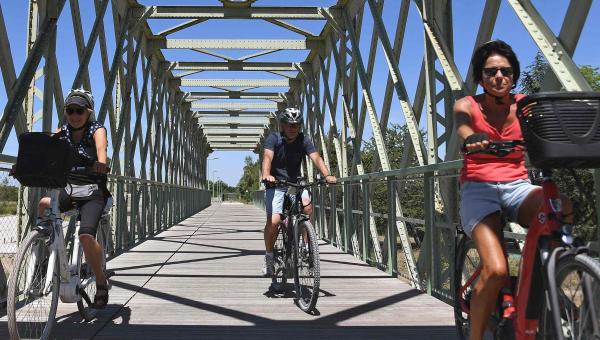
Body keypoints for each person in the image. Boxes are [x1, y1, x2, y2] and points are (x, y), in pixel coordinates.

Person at [454, 40, 573, 340]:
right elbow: (463, 125)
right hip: (478, 188)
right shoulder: (467, 104)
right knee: (495, 270)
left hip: (517, 186)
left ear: (514, 75)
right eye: (491, 71)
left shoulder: (524, 105)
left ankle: (542, 279)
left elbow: (548, 126)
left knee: (563, 206)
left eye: (505, 71)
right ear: (480, 77)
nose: (498, 77)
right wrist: (472, 137)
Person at [37, 88, 112, 309]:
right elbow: (46, 151)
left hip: (93, 192)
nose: (75, 115)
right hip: (69, 189)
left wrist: (101, 161)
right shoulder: (63, 131)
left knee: (86, 235)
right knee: (43, 205)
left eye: (79, 110)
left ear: (88, 112)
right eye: (70, 110)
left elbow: (102, 148)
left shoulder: (96, 129)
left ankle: (100, 281)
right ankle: (48, 249)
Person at [261, 107, 336, 276]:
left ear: (300, 127)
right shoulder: (274, 138)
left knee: (308, 209)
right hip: (276, 185)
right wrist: (266, 174)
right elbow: (267, 157)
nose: (292, 128)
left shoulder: (304, 140)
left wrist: (327, 175)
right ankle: (269, 257)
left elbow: (315, 157)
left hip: (295, 184)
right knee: (273, 222)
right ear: (282, 125)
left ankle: (309, 249)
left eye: (296, 125)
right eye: (289, 124)